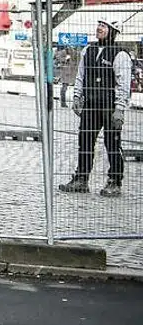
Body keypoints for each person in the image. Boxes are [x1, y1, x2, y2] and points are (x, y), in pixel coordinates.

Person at [59, 20, 133, 197]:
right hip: (90, 106)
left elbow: (123, 84)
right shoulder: (88, 50)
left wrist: (120, 108)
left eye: (104, 26)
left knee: (112, 144)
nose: (99, 28)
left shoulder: (120, 55)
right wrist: (77, 96)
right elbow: (81, 75)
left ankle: (115, 181)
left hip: (110, 107)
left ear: (113, 31)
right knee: (84, 142)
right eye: (98, 24)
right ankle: (81, 179)